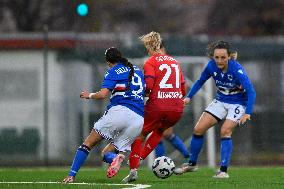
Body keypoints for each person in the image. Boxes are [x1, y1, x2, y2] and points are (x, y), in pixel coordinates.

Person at [62, 47, 145, 183]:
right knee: (106, 152)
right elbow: (145, 92)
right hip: (138, 119)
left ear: (108, 62)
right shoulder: (136, 69)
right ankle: (116, 158)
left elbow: (103, 94)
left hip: (120, 112)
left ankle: (71, 176)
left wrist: (89, 95)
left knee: (88, 143)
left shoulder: (112, 71)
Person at [174, 41, 256, 178]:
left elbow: (251, 91)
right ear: (213, 57)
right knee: (198, 129)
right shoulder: (211, 66)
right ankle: (192, 164)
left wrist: (247, 112)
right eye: (216, 57)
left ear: (229, 57)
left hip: (238, 103)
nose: (219, 60)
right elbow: (200, 81)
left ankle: (223, 171)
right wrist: (189, 97)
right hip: (221, 100)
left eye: (223, 57)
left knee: (225, 131)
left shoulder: (236, 69)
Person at [122, 31, 186, 183]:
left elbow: (149, 86)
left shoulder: (150, 62)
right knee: (159, 131)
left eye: (146, 46)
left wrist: (139, 93)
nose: (146, 50)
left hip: (158, 106)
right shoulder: (174, 61)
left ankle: (133, 169)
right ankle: (141, 158)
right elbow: (183, 90)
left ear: (150, 45)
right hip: (177, 108)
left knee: (139, 135)